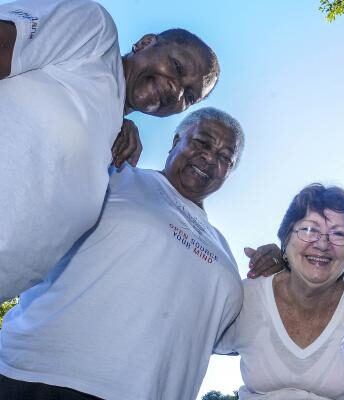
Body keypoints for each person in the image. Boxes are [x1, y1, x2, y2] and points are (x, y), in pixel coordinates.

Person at [0, 108, 264, 400]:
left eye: (226, 157)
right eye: (202, 142)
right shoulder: (116, 175)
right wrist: (109, 122)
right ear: (176, 139)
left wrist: (283, 274)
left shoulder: (224, 251)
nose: (211, 158)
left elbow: (231, 337)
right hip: (41, 377)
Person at [0, 0, 220, 301]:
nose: (177, 90)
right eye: (177, 67)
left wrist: (120, 121)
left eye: (190, 96)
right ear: (145, 43)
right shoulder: (94, 30)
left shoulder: (114, 149)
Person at [217, 184, 344, 400]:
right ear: (286, 238)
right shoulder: (246, 297)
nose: (323, 244)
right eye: (309, 229)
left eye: (338, 234)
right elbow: (190, 336)